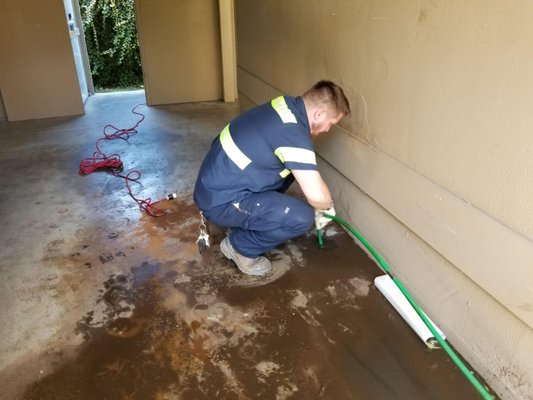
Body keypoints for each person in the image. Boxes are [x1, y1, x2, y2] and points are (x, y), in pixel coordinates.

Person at [193, 80, 350, 276]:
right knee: (301, 217)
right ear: (319, 114)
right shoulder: (292, 134)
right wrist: (327, 209)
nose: (327, 129)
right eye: (331, 123)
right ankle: (240, 247)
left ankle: (245, 221)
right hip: (220, 201)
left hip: (215, 183)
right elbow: (317, 197)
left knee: (290, 171)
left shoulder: (284, 106)